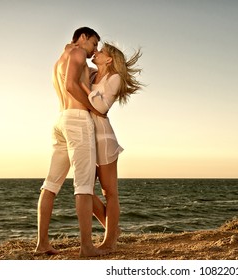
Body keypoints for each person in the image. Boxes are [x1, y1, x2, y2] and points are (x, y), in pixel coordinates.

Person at [35, 27, 106, 257]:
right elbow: (70, 85)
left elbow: (71, 83)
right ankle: (87, 247)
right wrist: (93, 107)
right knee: (84, 187)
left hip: (61, 121)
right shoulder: (76, 52)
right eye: (94, 44)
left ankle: (42, 244)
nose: (94, 49)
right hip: (77, 121)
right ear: (82, 38)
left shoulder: (59, 60)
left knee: (50, 185)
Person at [80, 42, 143, 251]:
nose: (95, 52)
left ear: (109, 59)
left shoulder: (113, 78)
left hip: (104, 139)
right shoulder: (91, 74)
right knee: (84, 190)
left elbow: (100, 107)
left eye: (101, 51)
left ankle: (110, 241)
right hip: (86, 137)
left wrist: (83, 88)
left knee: (110, 193)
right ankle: (113, 228)